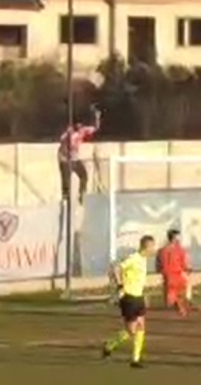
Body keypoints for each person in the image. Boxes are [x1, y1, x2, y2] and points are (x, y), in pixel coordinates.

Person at [102, 235, 155, 369]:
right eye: (152, 247)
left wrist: (144, 293)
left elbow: (138, 279)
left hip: (139, 297)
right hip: (129, 298)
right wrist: (120, 285)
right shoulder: (133, 258)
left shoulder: (143, 260)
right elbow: (116, 269)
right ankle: (110, 345)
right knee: (131, 331)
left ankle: (135, 360)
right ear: (146, 246)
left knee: (141, 327)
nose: (153, 250)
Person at [58, 106, 100, 204]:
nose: (79, 127)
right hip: (64, 159)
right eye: (77, 125)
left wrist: (97, 117)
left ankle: (82, 195)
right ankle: (65, 198)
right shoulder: (69, 132)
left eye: (80, 125)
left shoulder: (83, 130)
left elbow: (95, 128)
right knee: (66, 181)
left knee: (84, 176)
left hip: (74, 159)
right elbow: (62, 140)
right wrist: (68, 135)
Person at [156, 229, 193, 316]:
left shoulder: (161, 250)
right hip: (177, 274)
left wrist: (160, 271)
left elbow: (158, 264)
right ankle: (186, 300)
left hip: (166, 274)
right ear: (174, 238)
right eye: (178, 237)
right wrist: (188, 269)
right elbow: (184, 263)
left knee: (171, 293)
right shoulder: (180, 250)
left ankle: (175, 302)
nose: (180, 239)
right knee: (185, 287)